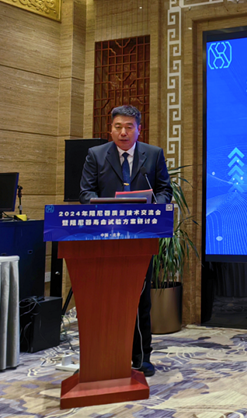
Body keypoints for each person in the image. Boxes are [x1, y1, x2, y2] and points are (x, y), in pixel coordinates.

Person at [79, 105, 172, 377]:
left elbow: (164, 189)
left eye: (129, 127)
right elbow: (85, 193)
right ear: (110, 129)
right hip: (105, 238)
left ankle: (141, 358)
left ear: (139, 129)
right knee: (106, 299)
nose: (123, 132)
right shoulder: (96, 155)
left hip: (141, 238)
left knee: (139, 300)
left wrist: (156, 207)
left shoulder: (153, 155)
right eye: (118, 126)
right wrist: (107, 209)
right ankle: (106, 356)